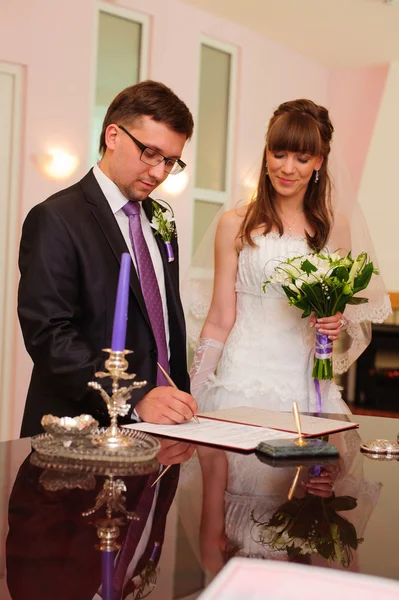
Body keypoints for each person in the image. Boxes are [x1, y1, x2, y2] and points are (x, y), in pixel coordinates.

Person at [18, 80, 198, 437]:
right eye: (150, 153)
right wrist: (133, 399)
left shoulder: (163, 219)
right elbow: (49, 333)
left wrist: (178, 396)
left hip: (164, 427)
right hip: (80, 433)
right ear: (113, 136)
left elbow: (164, 321)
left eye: (171, 161)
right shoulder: (57, 217)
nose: (159, 173)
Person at [188, 99, 391, 414]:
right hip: (239, 376)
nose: (287, 167)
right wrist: (194, 392)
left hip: (304, 380)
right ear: (266, 154)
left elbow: (338, 311)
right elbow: (218, 319)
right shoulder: (235, 224)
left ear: (318, 162)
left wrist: (334, 319)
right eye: (278, 154)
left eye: (302, 157)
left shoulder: (336, 229)